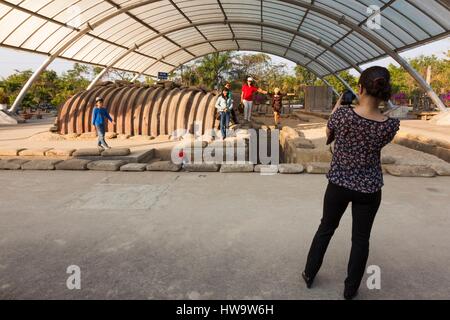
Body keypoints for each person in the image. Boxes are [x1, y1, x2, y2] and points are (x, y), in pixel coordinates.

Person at [302, 66, 400, 300]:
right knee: (361, 239)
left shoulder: (343, 115)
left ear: (360, 88)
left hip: (339, 184)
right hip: (370, 188)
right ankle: (350, 289)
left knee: (326, 228)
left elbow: (329, 135)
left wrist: (338, 105)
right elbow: (373, 140)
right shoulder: (390, 125)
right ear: (384, 91)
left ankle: (309, 273)